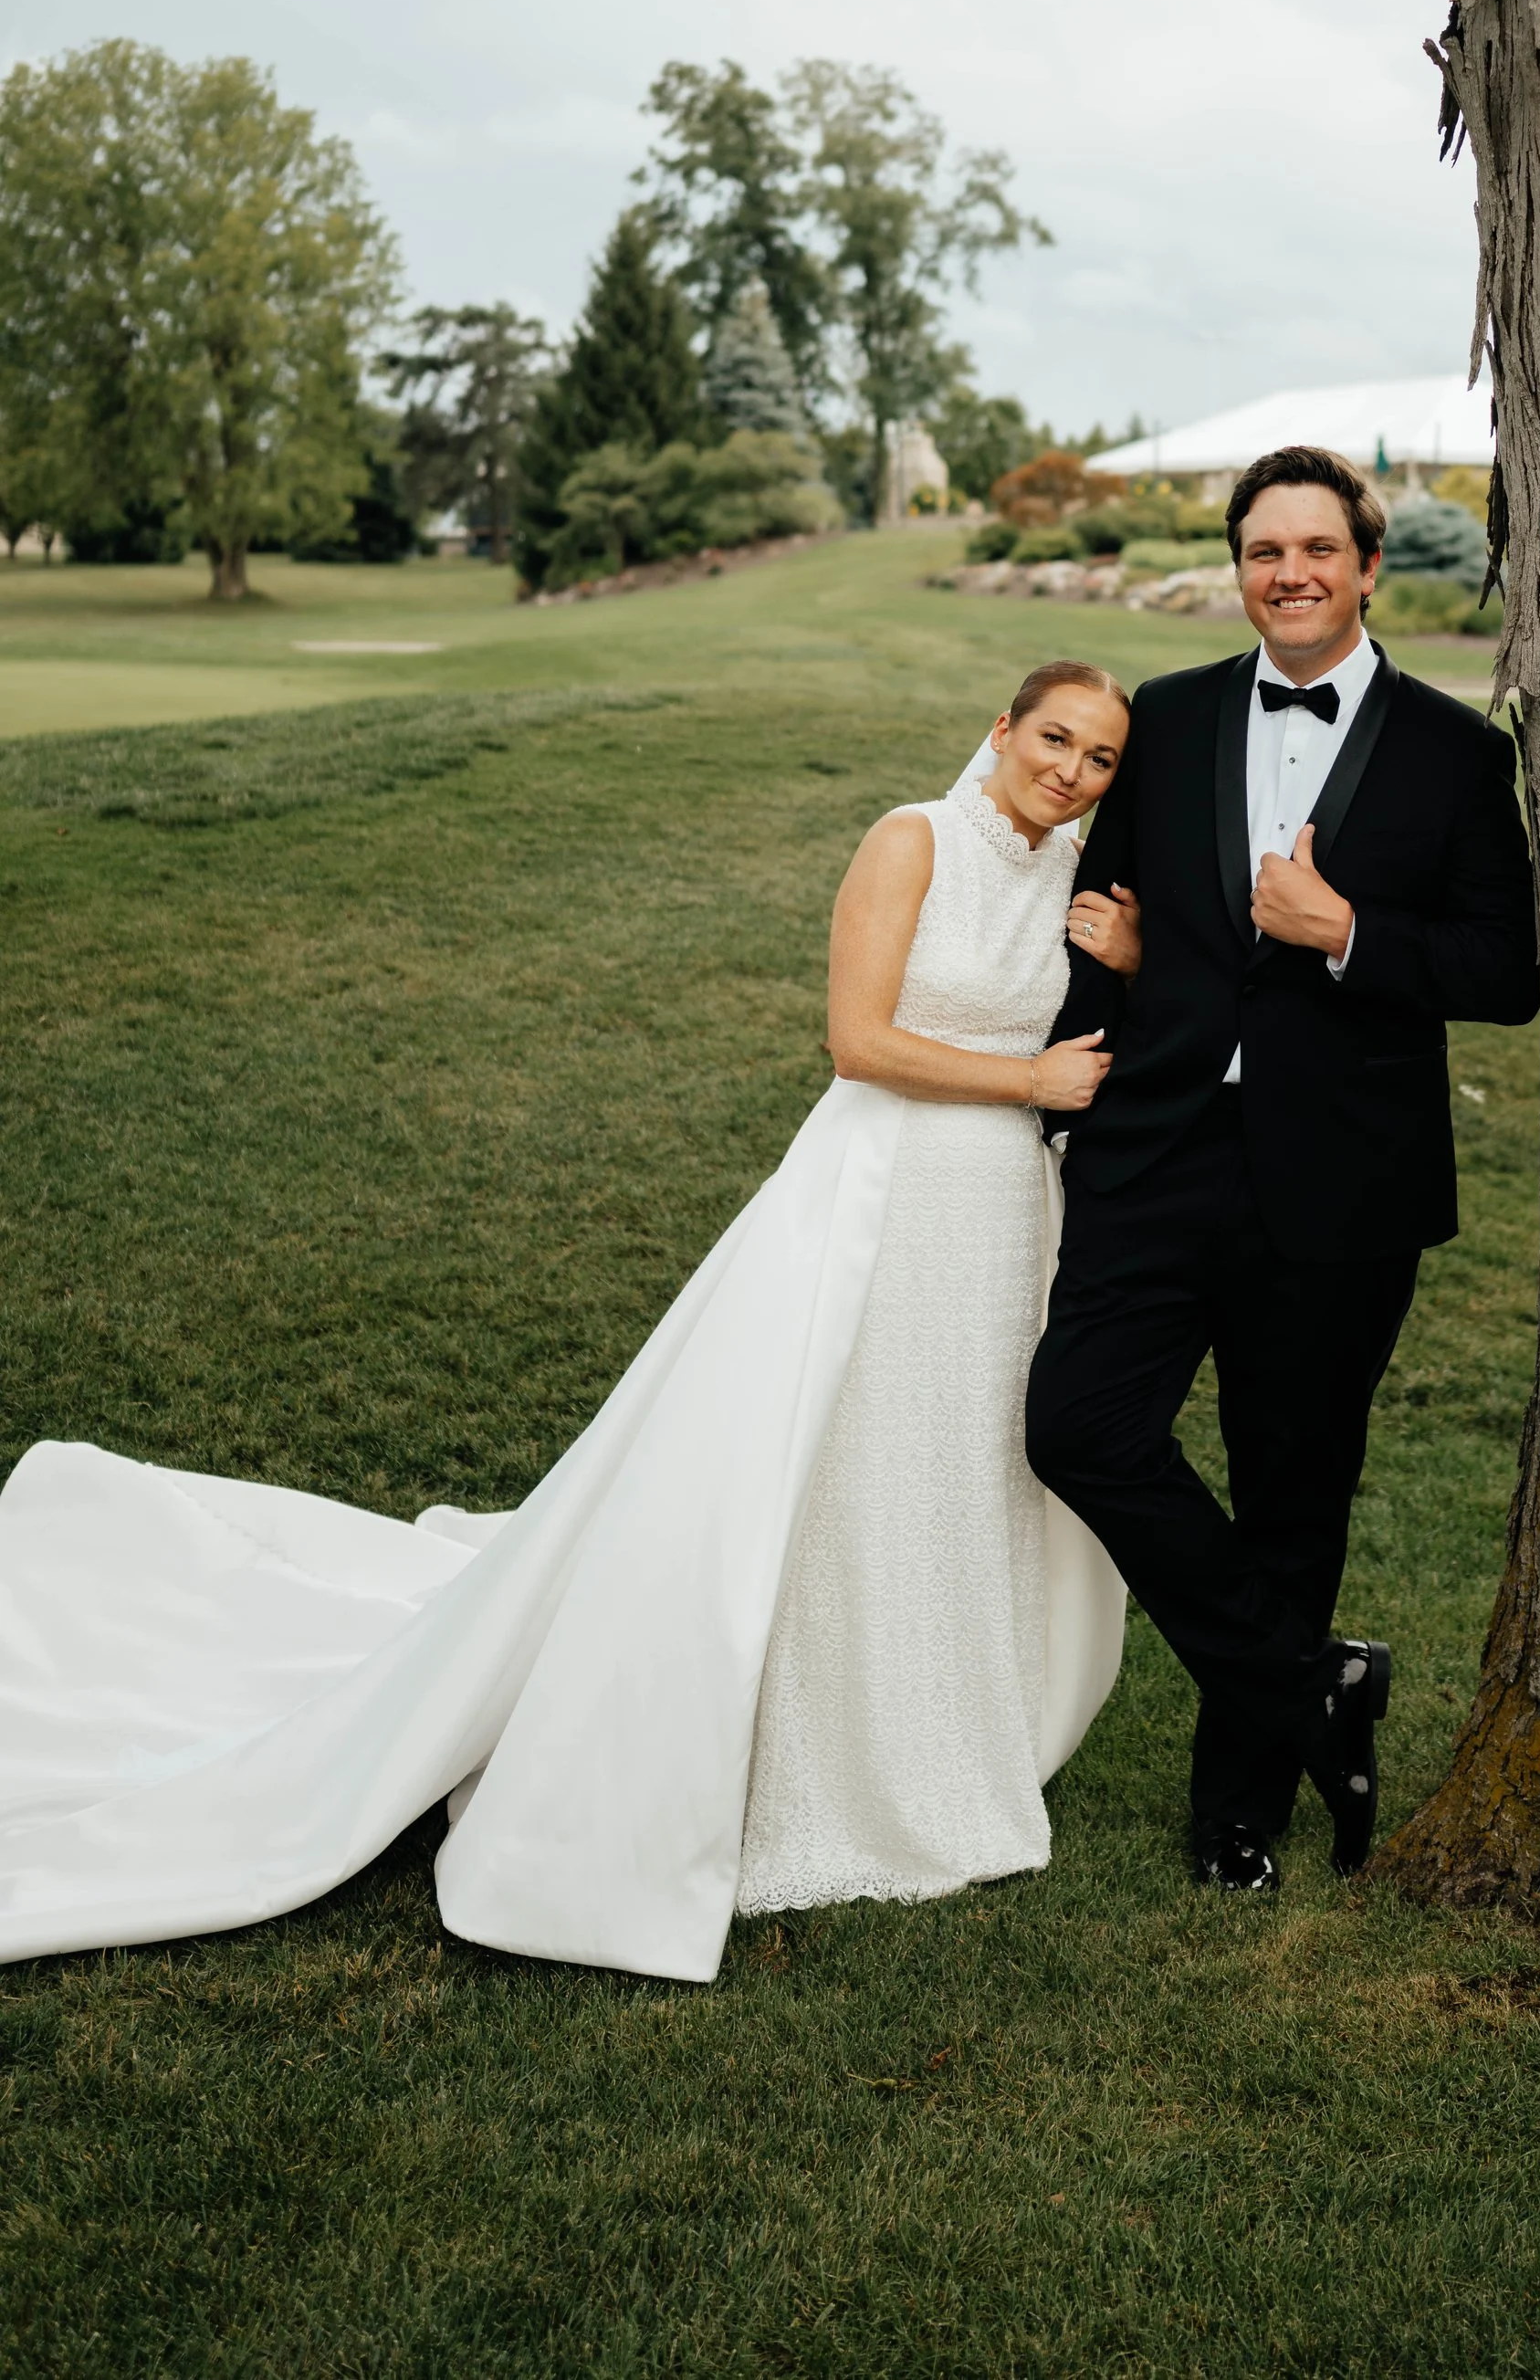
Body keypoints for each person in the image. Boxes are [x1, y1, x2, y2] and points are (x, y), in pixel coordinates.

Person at [0, 668, 1133, 1983]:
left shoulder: (1077, 883)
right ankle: (798, 1732)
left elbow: (1117, 1029)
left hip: (998, 1218)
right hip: (878, 1195)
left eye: (1101, 757)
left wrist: (1128, 963)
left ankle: (934, 1723)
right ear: (1002, 728)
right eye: (1055, 737)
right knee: (831, 1453)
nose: (1071, 770)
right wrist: (1025, 1078)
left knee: (950, 1459)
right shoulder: (910, 838)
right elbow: (857, 1040)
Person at [1028, 448, 1540, 1894]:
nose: (1291, 572)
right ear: (1239, 567)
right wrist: (1079, 1093)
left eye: (1319, 547)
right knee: (1077, 1424)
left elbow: (1509, 970)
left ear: (1369, 567)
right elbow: (1102, 922)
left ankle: (1238, 1815)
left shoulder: (1455, 752)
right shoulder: (1173, 719)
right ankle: (1315, 1681)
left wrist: (1348, 931)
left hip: (1343, 1186)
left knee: (1293, 1493)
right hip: (1159, 1155)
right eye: (1265, 550)